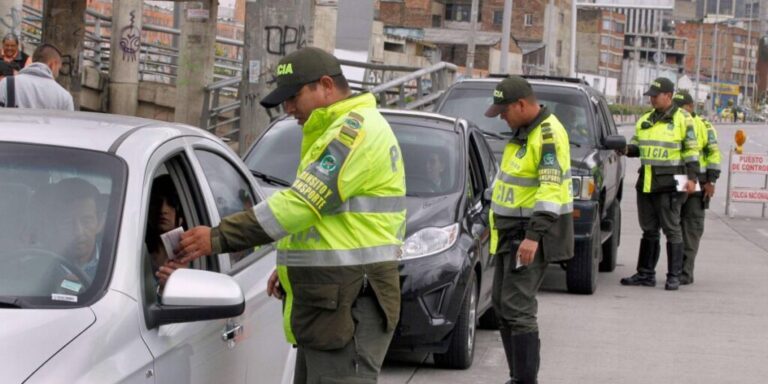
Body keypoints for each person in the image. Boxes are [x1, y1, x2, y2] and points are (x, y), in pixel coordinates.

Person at [176, 47, 406, 383]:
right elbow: (328, 221)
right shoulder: (339, 129)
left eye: (294, 97)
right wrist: (289, 269)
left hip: (352, 301)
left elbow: (301, 205)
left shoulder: (353, 133)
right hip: (335, 298)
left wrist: (217, 237)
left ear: (326, 85)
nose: (288, 108)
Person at [484, 75, 574, 384]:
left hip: (528, 234)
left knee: (518, 308)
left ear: (521, 105)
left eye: (504, 111)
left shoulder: (547, 135)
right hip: (511, 232)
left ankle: (524, 380)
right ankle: (517, 377)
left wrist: (533, 236)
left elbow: (550, 189)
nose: (502, 118)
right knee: (502, 305)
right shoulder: (525, 132)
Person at [618, 77, 700, 291]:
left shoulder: (683, 119)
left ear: (668, 96)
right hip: (646, 183)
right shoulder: (646, 119)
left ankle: (674, 276)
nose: (652, 99)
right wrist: (624, 149)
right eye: (651, 96)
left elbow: (692, 151)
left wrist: (692, 179)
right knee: (649, 230)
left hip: (671, 184)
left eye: (656, 96)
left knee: (672, 229)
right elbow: (636, 146)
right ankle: (646, 273)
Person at [672, 90, 721, 285]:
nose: (678, 110)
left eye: (681, 107)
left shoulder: (704, 126)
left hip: (697, 181)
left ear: (691, 107)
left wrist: (711, 181)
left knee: (691, 227)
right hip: (678, 179)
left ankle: (685, 272)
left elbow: (714, 155)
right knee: (674, 226)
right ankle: (675, 270)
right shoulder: (672, 122)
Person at [32, 178, 102, 286]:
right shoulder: (34, 269)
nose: (78, 232)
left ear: (99, 222)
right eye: (67, 222)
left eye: (86, 221)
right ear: (53, 225)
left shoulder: (118, 263)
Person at [0, 43, 74, 110]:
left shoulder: (7, 83)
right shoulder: (64, 97)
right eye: (58, 69)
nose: (57, 74)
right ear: (52, 65)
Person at [146, 175, 187, 289]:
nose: (163, 210)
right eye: (156, 202)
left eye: (171, 203)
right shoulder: (136, 248)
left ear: (182, 210)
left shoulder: (192, 253)